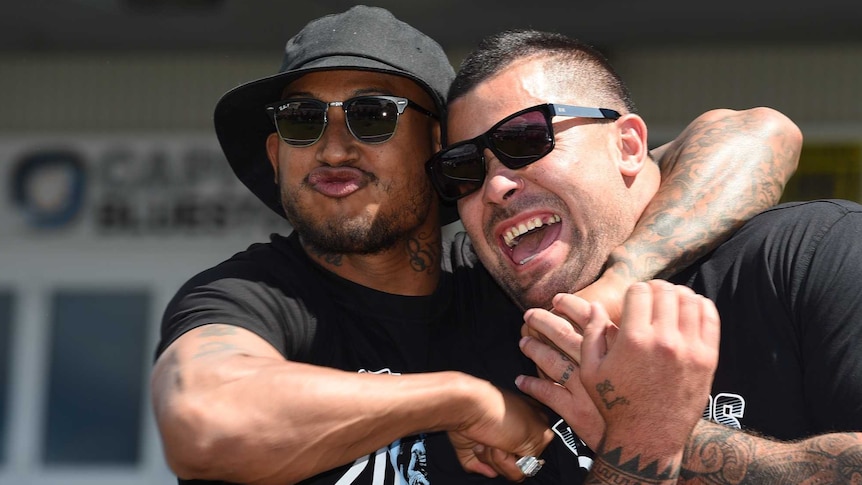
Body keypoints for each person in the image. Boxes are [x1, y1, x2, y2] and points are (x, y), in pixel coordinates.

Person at [150, 6, 801, 485]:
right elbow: (205, 417)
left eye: (372, 115)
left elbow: (755, 133)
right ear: (275, 152)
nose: (332, 146)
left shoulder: (511, 276)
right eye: (302, 121)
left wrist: (620, 276)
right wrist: (467, 400)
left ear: (440, 149)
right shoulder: (251, 295)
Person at [429, 27, 862, 483]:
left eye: (524, 140)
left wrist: (656, 434)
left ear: (629, 146)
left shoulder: (807, 255)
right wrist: (454, 398)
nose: (496, 186)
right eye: (464, 168)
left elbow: (759, 128)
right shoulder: (455, 299)